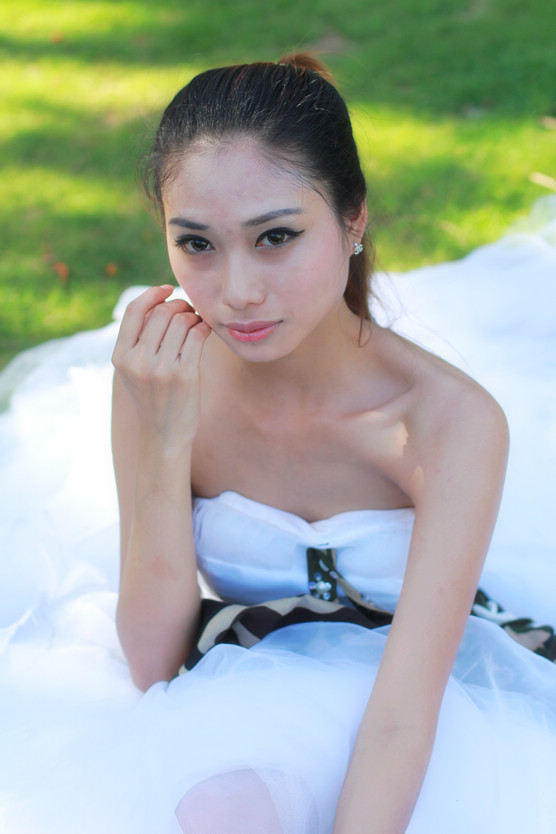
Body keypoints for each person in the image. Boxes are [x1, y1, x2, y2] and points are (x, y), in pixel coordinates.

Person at [0, 55, 555, 834]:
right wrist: (164, 440)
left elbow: (401, 718)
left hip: (433, 705)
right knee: (214, 813)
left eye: (276, 237)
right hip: (248, 691)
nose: (237, 291)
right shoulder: (161, 381)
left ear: (353, 220)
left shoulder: (448, 421)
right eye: (198, 244)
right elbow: (154, 663)